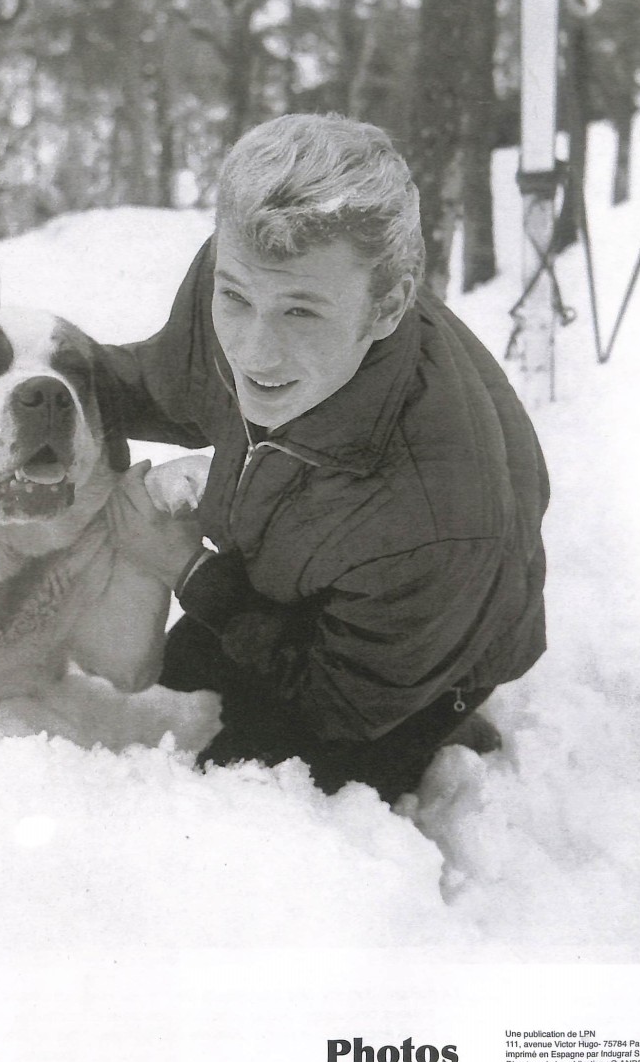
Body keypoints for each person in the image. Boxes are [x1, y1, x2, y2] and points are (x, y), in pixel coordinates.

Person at [104, 113, 549, 804]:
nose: (252, 352)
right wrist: (42, 387)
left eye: (301, 313)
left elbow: (339, 701)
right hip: (300, 564)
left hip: (395, 666)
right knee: (171, 681)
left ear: (388, 307)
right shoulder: (249, 269)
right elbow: (173, 384)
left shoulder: (435, 515)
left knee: (245, 798)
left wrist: (187, 570)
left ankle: (441, 726)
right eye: (234, 298)